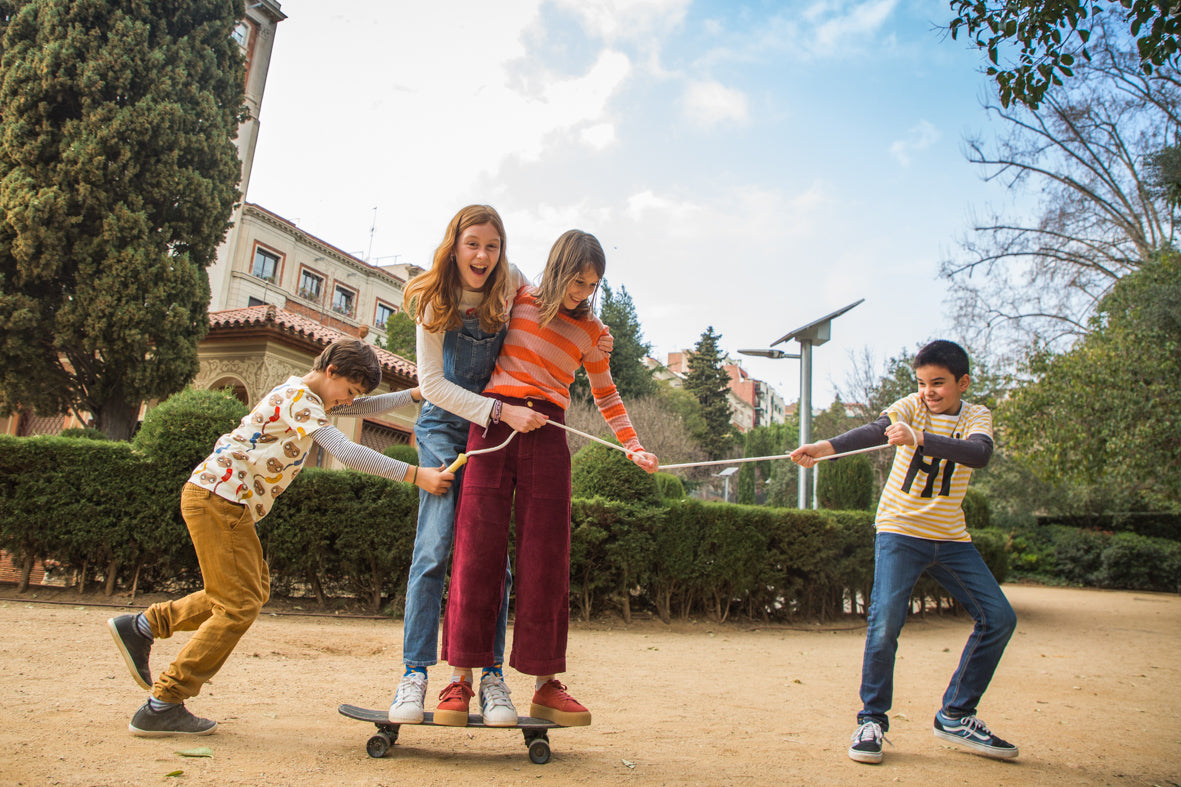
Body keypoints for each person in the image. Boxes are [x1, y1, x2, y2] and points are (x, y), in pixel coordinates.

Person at [107, 338, 452, 736]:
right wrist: (415, 474)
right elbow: (345, 450)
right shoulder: (300, 398)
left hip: (222, 500)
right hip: (220, 500)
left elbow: (360, 407)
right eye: (349, 389)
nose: (348, 401)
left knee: (247, 591)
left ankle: (144, 627)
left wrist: (414, 393)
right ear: (331, 371)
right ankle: (163, 702)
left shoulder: (309, 396)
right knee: (238, 605)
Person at [389, 206, 613, 728]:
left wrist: (596, 335)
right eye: (473, 245)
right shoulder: (431, 300)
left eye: (492, 246)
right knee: (438, 547)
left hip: (509, 423)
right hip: (452, 425)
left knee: (500, 556)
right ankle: (419, 672)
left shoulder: (512, 283)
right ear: (455, 245)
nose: (483, 256)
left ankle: (491, 676)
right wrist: (499, 410)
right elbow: (435, 386)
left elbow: (550, 309)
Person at [437, 229, 658, 728]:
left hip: (549, 434)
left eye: (592, 285)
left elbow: (606, 394)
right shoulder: (516, 295)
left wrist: (633, 445)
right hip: (493, 425)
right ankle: (460, 681)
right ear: (558, 268)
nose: (582, 293)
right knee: (476, 550)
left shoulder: (592, 334)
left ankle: (544, 685)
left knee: (547, 559)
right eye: (577, 281)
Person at [790, 340, 1018, 764]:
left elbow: (980, 454)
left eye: (939, 383)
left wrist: (920, 438)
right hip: (900, 531)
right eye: (922, 382)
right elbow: (874, 432)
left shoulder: (975, 416)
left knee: (1000, 618)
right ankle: (871, 720)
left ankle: (957, 714)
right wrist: (823, 449)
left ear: (962, 382)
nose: (929, 391)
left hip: (951, 538)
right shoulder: (910, 406)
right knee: (885, 623)